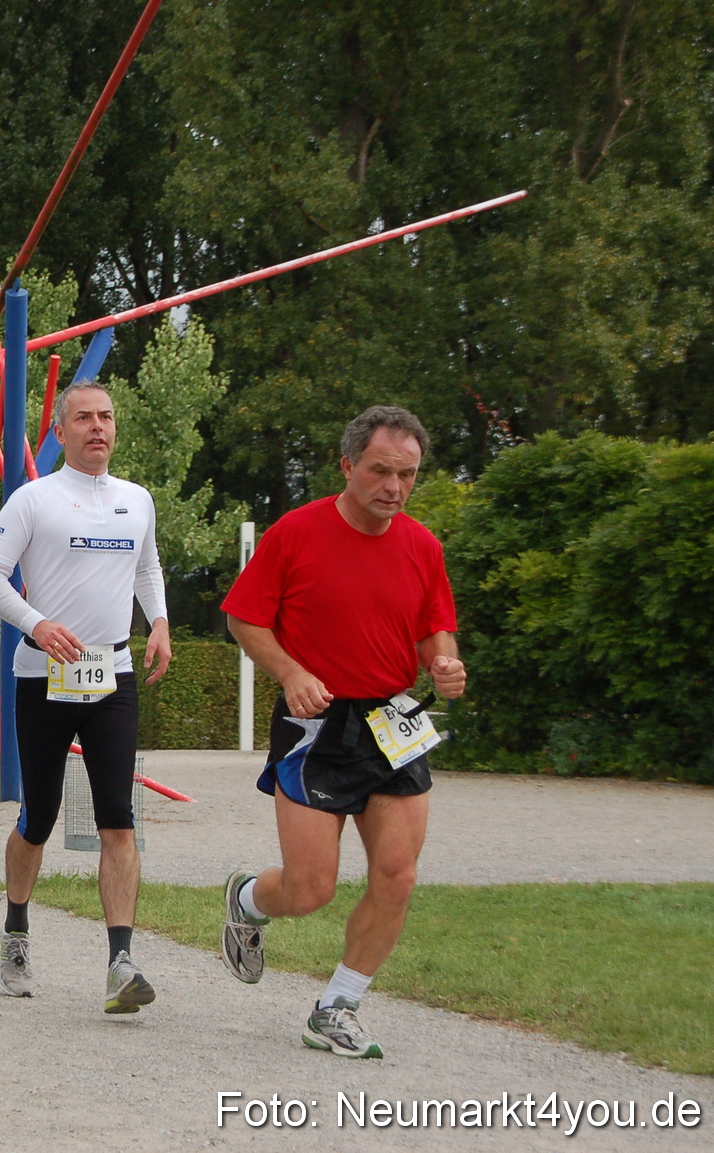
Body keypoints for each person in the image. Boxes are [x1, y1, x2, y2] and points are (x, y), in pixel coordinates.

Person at [219, 405, 466, 1060]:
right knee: (310, 889)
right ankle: (247, 898)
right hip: (315, 721)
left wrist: (443, 662)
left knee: (398, 874)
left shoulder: (422, 546)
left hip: (395, 718)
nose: (394, 486)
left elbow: (433, 626)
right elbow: (245, 619)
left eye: (407, 474)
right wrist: (290, 669)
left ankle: (338, 1005)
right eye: (381, 470)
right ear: (349, 465)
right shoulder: (296, 533)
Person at [0, 379, 172, 1014]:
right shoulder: (34, 500)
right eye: (83, 418)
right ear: (60, 431)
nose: (97, 427)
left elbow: (146, 567)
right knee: (40, 815)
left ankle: (120, 961)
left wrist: (159, 622)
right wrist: (37, 623)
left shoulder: (136, 500)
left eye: (106, 417)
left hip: (111, 674)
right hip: (43, 678)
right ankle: (16, 932)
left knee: (119, 818)